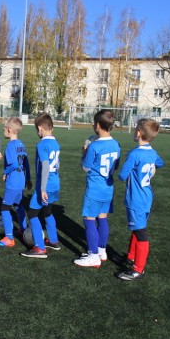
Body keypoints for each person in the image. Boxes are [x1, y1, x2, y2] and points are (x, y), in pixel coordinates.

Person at [115, 118, 165, 281]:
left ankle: (138, 269)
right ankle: (130, 257)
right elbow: (160, 163)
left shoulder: (135, 154)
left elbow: (122, 176)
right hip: (147, 196)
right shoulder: (153, 152)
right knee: (137, 228)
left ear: (139, 133)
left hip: (136, 199)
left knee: (141, 232)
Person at [74, 109, 121, 268]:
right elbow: (116, 166)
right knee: (103, 217)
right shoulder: (116, 144)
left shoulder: (93, 146)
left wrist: (84, 152)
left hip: (94, 188)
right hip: (108, 188)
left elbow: (86, 167)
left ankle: (93, 255)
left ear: (98, 125)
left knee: (89, 219)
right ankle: (102, 251)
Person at [20, 113, 63, 259]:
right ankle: (53, 240)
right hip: (55, 183)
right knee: (47, 210)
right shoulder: (55, 143)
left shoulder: (42, 144)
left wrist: (42, 188)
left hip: (45, 185)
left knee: (32, 213)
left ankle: (39, 247)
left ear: (40, 128)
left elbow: (45, 166)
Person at [0, 117, 30, 248]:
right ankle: (23, 229)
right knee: (18, 205)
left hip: (13, 182)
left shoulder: (10, 146)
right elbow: (26, 163)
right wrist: (29, 178)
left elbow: (14, 164)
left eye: (4, 129)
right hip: (21, 181)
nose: (3, 131)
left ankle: (9, 237)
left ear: (9, 130)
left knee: (4, 208)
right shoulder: (21, 145)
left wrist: (5, 172)